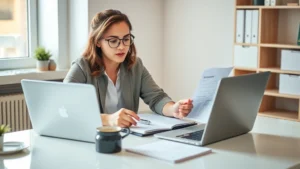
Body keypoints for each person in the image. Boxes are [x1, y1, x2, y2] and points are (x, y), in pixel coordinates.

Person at [64, 9, 193, 128]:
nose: (122, 47)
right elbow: (65, 108)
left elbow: (156, 98)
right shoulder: (82, 67)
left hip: (129, 137)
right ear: (98, 41)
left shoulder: (136, 66)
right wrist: (108, 119)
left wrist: (174, 109)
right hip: (94, 139)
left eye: (126, 39)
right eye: (113, 41)